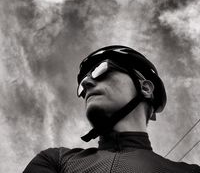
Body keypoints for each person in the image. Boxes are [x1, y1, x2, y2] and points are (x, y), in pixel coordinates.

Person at [23, 45, 200, 172]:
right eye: (81, 87)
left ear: (145, 88)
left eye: (101, 70)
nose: (85, 82)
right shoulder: (55, 160)